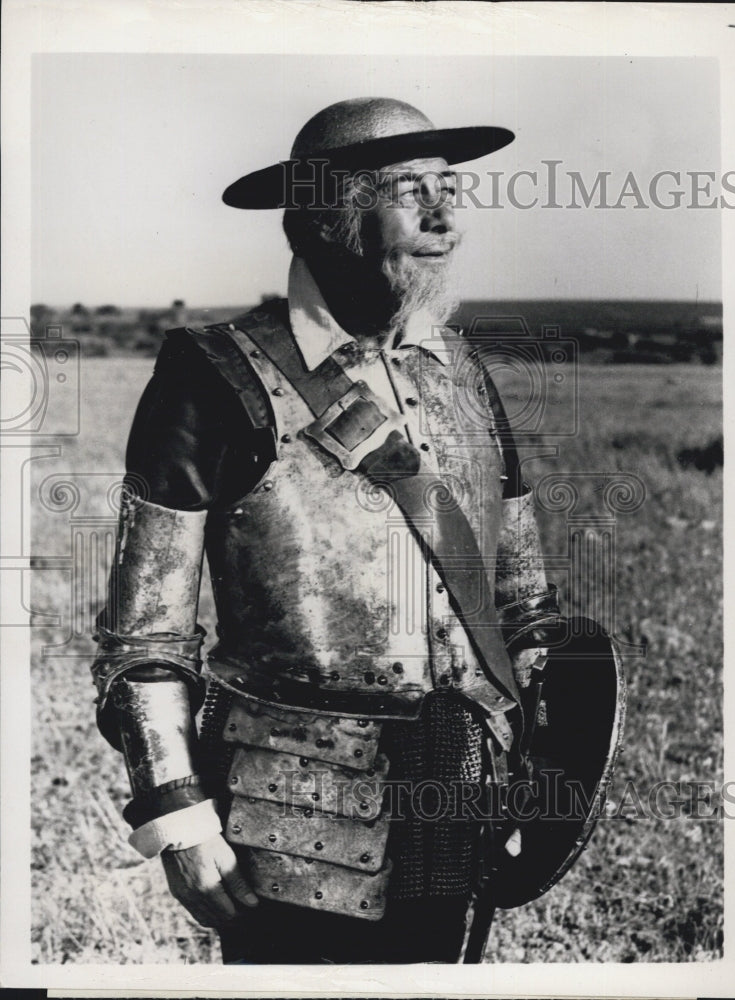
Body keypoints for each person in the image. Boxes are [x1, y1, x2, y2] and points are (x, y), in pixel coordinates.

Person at [91, 97, 619, 964]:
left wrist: (537, 771)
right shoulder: (210, 377)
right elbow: (143, 639)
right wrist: (177, 815)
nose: (446, 218)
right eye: (412, 192)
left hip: (465, 798)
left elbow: (522, 603)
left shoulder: (466, 374)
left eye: (450, 190)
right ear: (328, 219)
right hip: (293, 824)